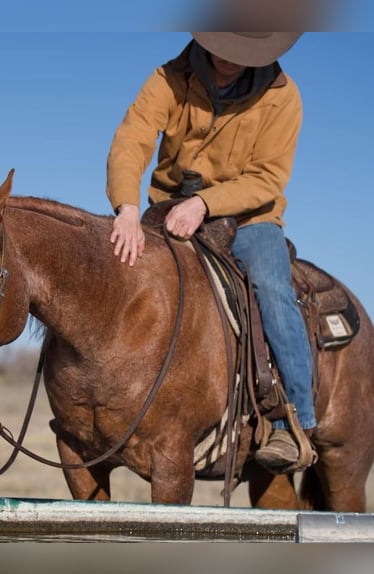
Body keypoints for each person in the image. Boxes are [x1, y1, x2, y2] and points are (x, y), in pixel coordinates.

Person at [106, 32, 315, 473]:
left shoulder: (283, 97)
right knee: (116, 276)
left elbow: (268, 178)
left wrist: (205, 204)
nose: (228, 60)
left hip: (250, 217)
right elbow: (133, 138)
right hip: (167, 210)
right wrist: (126, 207)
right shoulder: (168, 77)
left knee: (273, 292)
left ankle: (293, 421)